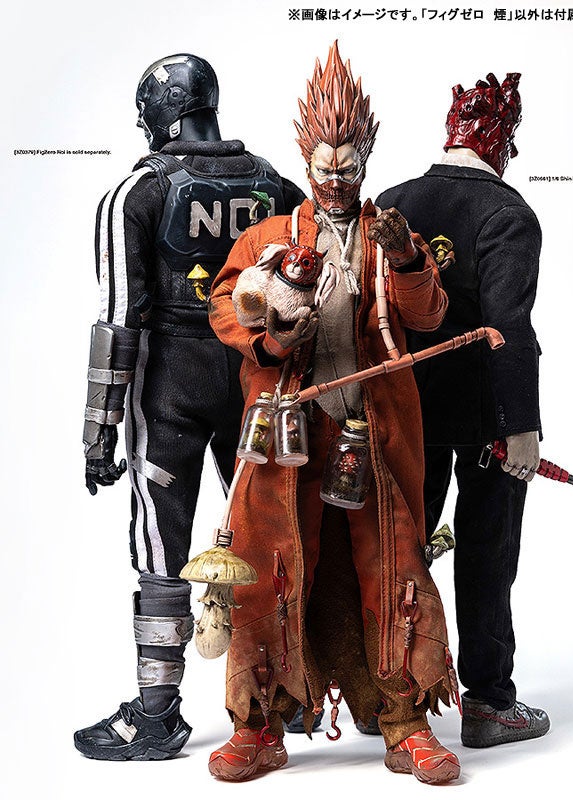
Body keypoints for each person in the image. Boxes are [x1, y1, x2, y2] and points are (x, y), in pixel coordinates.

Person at [204, 42, 461, 784]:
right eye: (326, 167)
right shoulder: (269, 236)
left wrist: (406, 258)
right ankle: (259, 723)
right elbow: (225, 306)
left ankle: (405, 721)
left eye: (350, 167)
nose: (338, 180)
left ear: (366, 160)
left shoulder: (390, 233)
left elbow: (429, 314)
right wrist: (271, 331)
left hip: (373, 436)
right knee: (268, 571)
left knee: (393, 564)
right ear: (307, 161)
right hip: (285, 438)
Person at [74, 53, 305, 761]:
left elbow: (120, 320)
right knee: (274, 535)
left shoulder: (137, 192)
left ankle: (156, 714)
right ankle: (290, 695)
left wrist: (98, 429)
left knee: (160, 549)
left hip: (170, 388)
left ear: (161, 111)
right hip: (257, 382)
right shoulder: (277, 186)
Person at [376, 72, 550, 748]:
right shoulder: (507, 214)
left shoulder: (394, 201)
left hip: (406, 411)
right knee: (485, 553)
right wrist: (521, 425)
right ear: (499, 139)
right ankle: (487, 702)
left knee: (398, 549)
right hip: (484, 420)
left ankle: (388, 695)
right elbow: (509, 328)